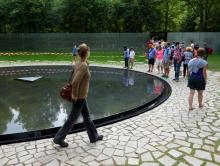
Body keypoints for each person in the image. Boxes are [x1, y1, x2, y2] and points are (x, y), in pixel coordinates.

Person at [53, 43, 103, 147]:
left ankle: (93, 136)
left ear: (80, 53)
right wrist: (74, 96)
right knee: (72, 119)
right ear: (87, 52)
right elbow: (75, 82)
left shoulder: (78, 63)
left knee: (87, 116)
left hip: (82, 96)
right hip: (79, 97)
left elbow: (72, 76)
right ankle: (58, 138)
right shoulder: (83, 65)